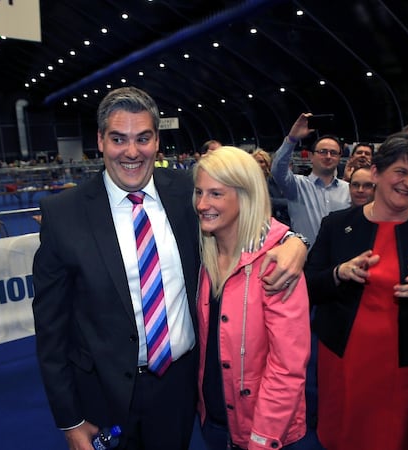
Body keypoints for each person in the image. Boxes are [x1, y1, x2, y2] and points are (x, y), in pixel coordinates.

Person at [31, 87, 307, 450]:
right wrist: (70, 419)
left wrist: (295, 241)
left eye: (143, 138)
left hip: (179, 389)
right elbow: (51, 330)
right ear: (100, 141)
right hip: (102, 396)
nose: (131, 152)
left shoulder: (188, 194)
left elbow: (246, 220)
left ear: (157, 141)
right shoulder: (63, 214)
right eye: (118, 139)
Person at [304, 132, 408, 450]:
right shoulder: (337, 225)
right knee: (341, 434)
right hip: (343, 356)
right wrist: (338, 274)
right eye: (401, 172)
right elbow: (308, 285)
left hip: (405, 361)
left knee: (390, 437)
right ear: (376, 173)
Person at [194, 146, 310, 450]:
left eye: (215, 194)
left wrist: (261, 439)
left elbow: (288, 367)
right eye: (198, 192)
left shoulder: (277, 263)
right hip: (214, 424)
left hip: (263, 432)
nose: (202, 204)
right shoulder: (203, 253)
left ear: (245, 196)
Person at [271, 113, 351, 246]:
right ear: (311, 157)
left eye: (334, 153)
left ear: (339, 158)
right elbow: (277, 170)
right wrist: (292, 139)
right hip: (305, 261)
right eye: (323, 152)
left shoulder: (348, 189)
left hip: (339, 263)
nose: (328, 156)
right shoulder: (297, 186)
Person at [252, 148, 290, 227]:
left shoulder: (274, 179)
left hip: (278, 220)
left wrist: (289, 203)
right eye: (255, 162)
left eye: (261, 162)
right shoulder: (249, 181)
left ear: (267, 163)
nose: (258, 164)